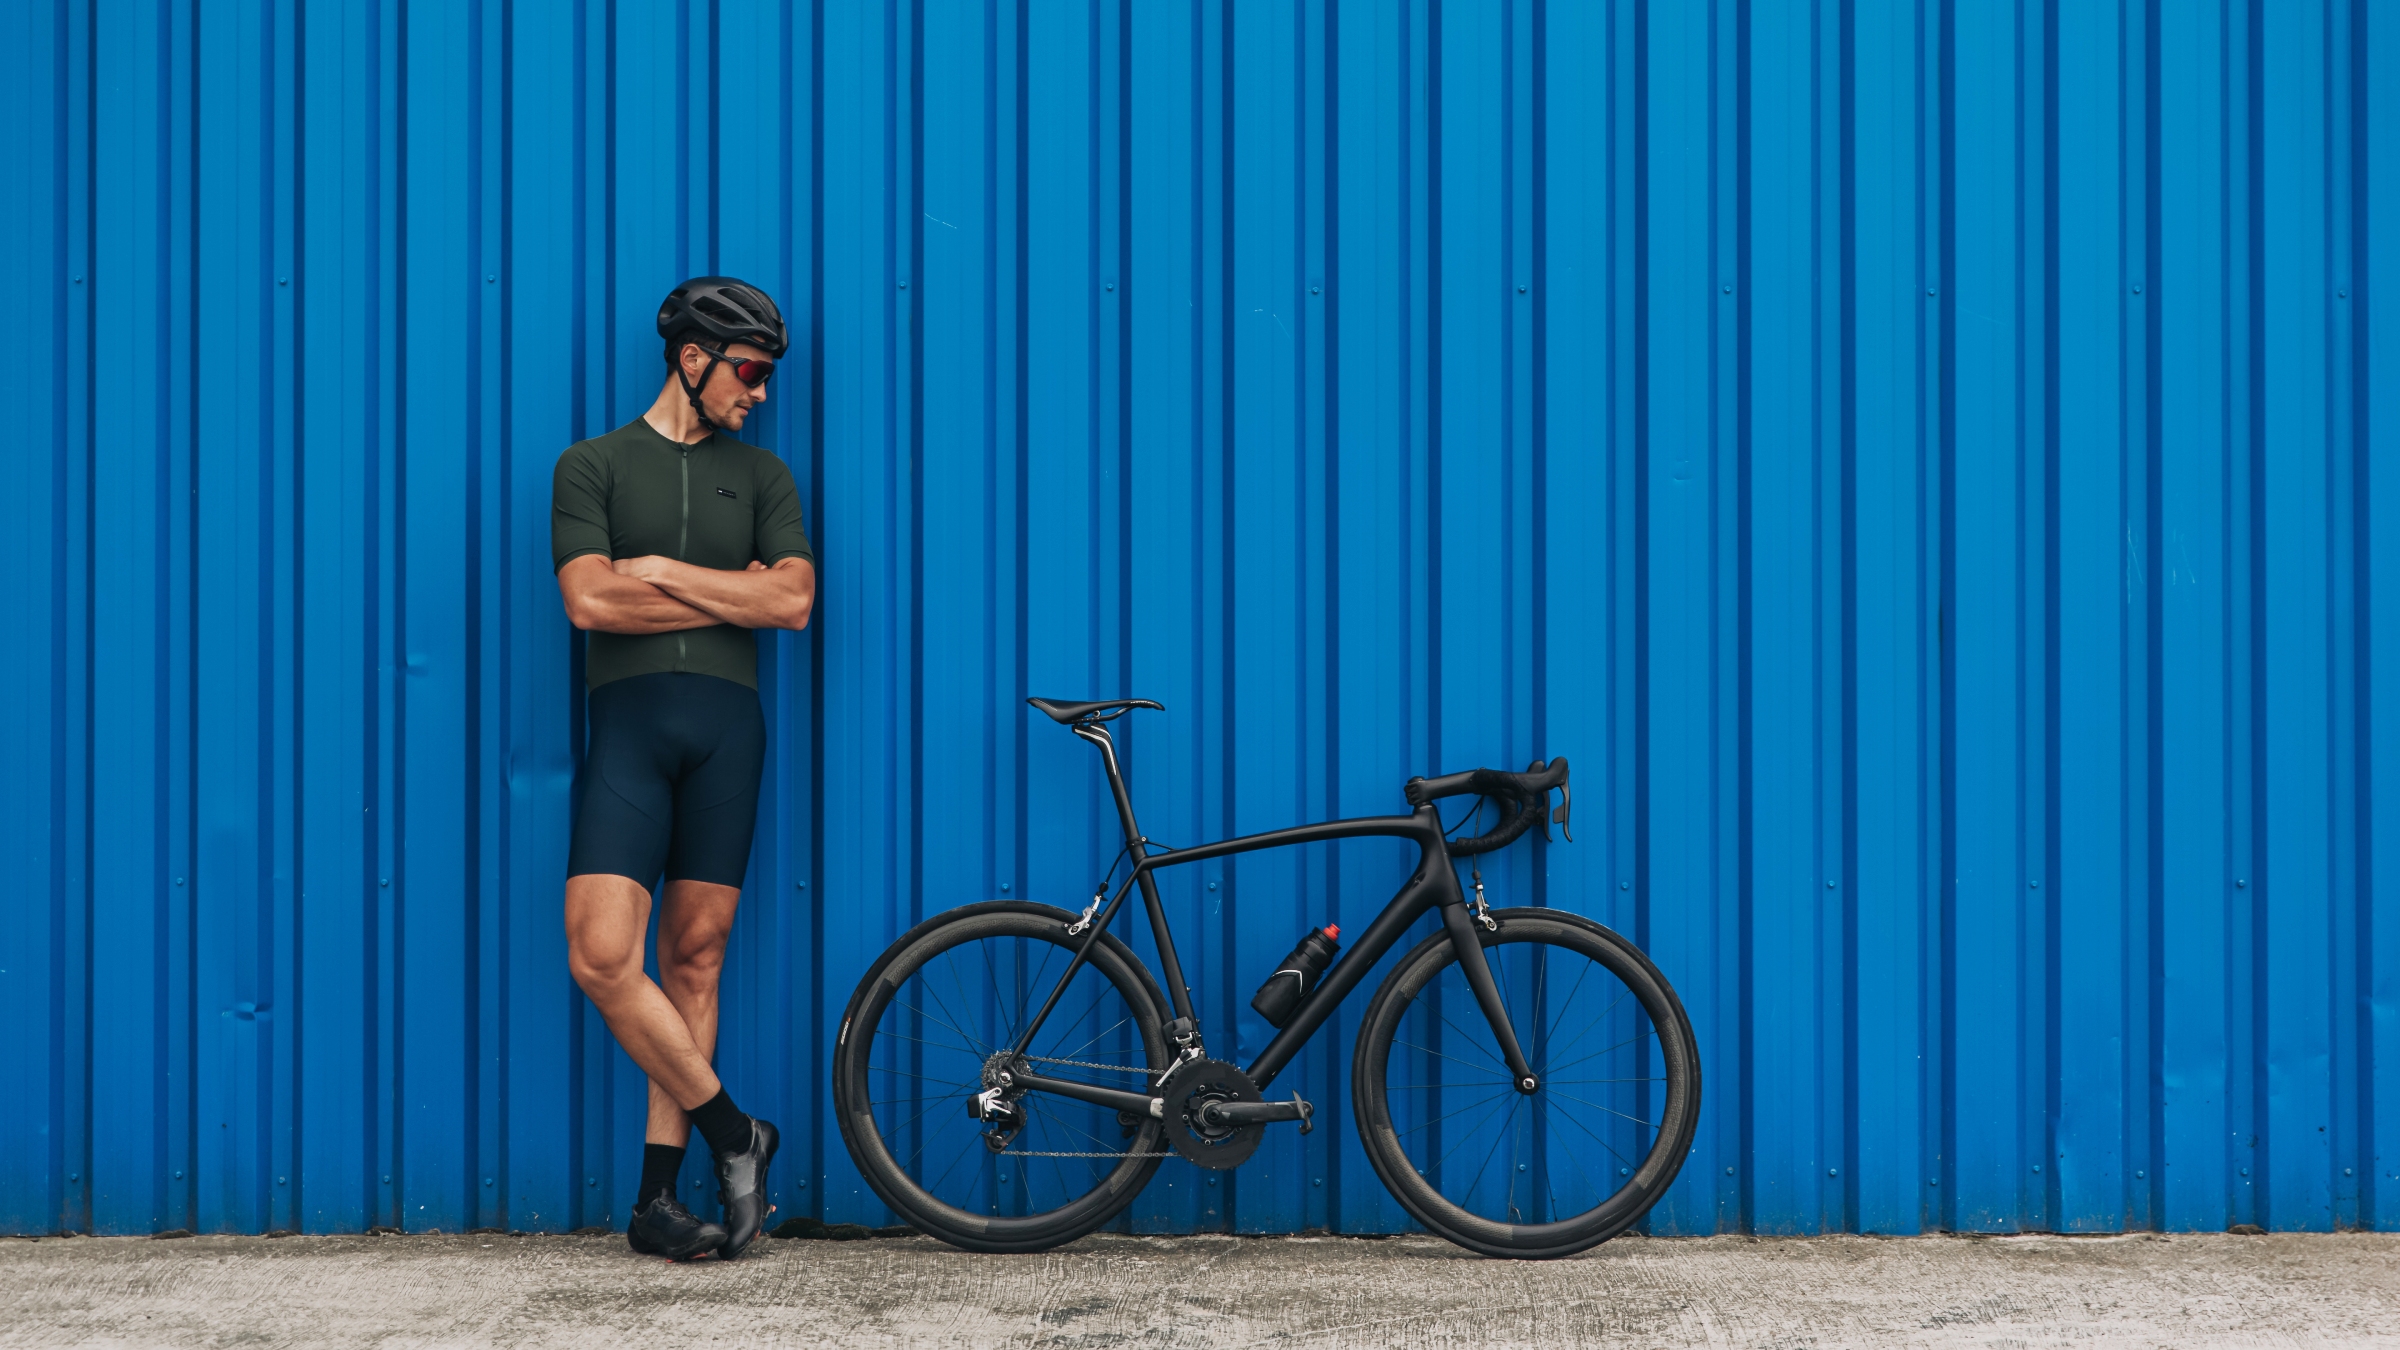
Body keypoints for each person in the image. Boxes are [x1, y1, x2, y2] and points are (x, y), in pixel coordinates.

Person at [552, 277, 816, 1260]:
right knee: (601, 955)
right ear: (692, 360)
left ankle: (658, 1204)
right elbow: (590, 603)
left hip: (725, 734)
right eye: (748, 371)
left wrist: (657, 571)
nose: (759, 392)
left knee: (694, 958)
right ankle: (734, 1131)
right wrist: (726, 594)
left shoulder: (765, 478)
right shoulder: (593, 467)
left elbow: (791, 602)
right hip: (628, 731)